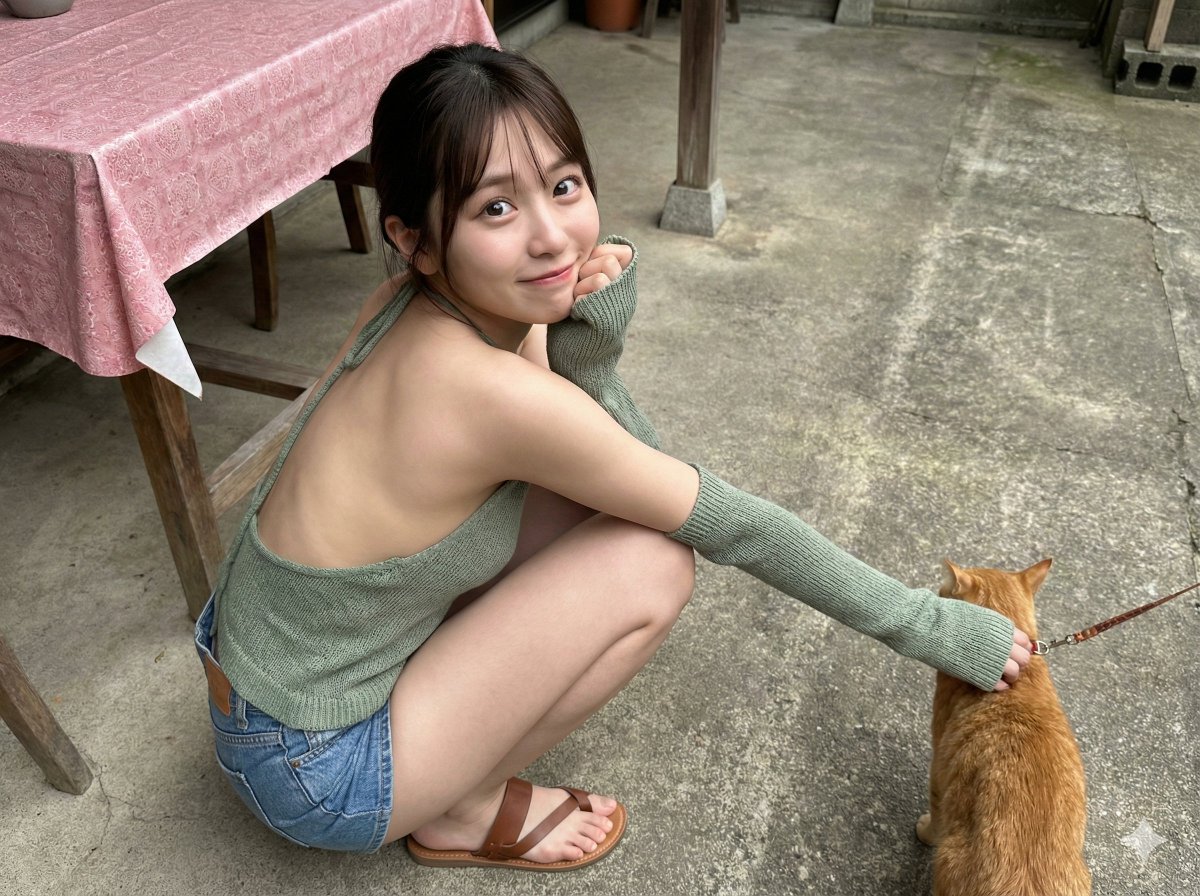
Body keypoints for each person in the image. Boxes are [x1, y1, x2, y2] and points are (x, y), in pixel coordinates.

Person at [194, 42, 1032, 871]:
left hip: (262, 676)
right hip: (316, 767)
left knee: (605, 505)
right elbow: (718, 516)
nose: (553, 238)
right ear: (413, 238)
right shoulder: (483, 391)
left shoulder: (419, 305)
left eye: (563, 187)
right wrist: (934, 627)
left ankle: (439, 761)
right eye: (495, 209)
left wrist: (585, 360)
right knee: (653, 564)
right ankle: (464, 807)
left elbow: (622, 461)